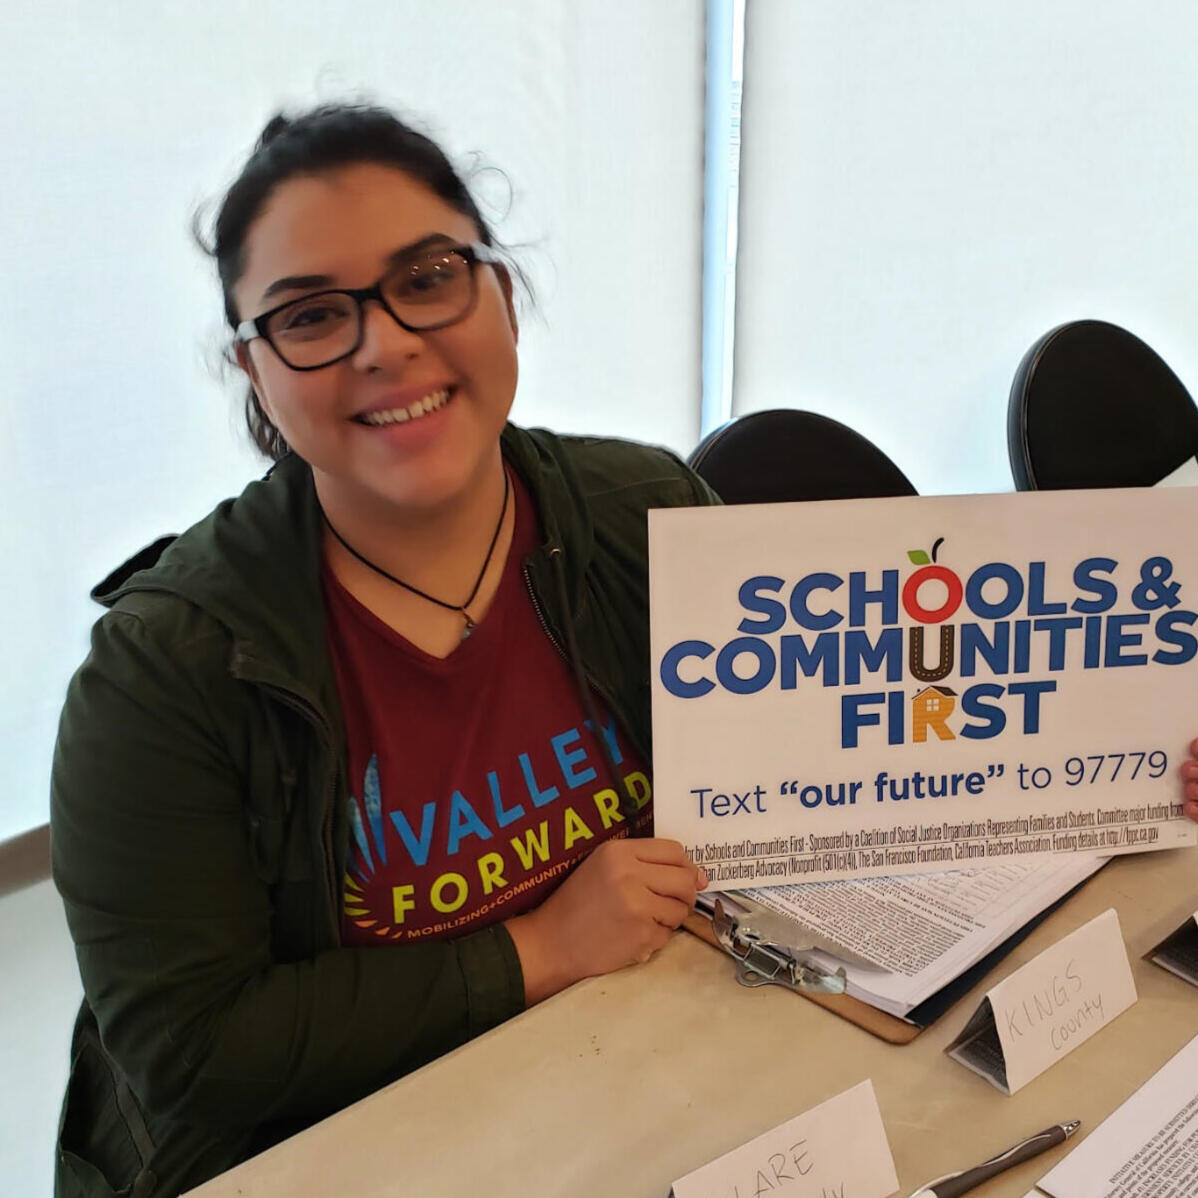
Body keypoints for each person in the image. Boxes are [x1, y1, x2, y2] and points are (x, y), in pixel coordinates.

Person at [50, 103, 714, 1198]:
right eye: (312, 315)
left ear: (502, 292)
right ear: (254, 369)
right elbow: (193, 1053)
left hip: (650, 1070)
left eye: (428, 276)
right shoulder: (162, 675)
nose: (386, 342)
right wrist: (540, 949)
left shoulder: (649, 512)